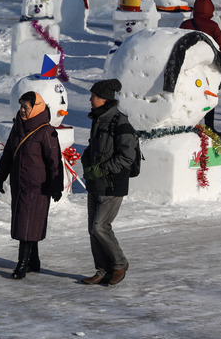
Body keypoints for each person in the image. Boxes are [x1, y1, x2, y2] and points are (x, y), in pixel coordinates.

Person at [0, 91, 64, 279]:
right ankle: (34, 261)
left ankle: (22, 265)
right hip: (19, 185)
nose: (22, 110)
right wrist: (1, 176)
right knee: (26, 223)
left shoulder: (46, 132)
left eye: (26, 107)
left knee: (26, 225)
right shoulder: (18, 127)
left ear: (36, 108)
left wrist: (56, 186)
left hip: (37, 187)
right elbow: (9, 153)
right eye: (21, 106)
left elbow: (55, 162)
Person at [80, 79, 137, 286]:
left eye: (94, 95)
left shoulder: (120, 122)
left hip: (112, 185)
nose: (90, 99)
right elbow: (94, 148)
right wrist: (86, 160)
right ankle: (102, 270)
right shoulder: (98, 119)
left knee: (100, 227)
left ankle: (120, 263)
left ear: (105, 99)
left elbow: (127, 157)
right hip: (95, 183)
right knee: (92, 230)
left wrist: (102, 169)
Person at [179, 0, 221, 134]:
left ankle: (190, 125)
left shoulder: (185, 25)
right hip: (207, 69)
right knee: (208, 96)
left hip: (188, 68)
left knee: (190, 96)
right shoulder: (212, 26)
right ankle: (209, 127)